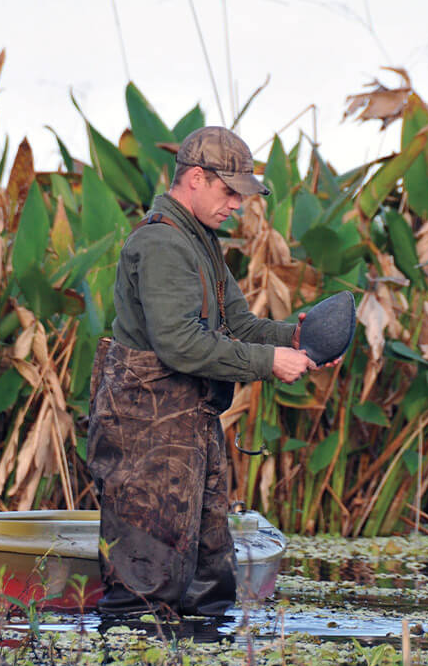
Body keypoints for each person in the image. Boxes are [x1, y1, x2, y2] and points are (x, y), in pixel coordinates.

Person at [86, 125, 316, 617]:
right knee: (143, 590)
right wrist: (269, 363)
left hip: (190, 427)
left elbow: (240, 324)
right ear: (195, 177)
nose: (237, 203)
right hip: (146, 434)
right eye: (229, 191)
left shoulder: (202, 242)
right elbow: (180, 344)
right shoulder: (163, 245)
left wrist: (296, 341)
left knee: (208, 582)